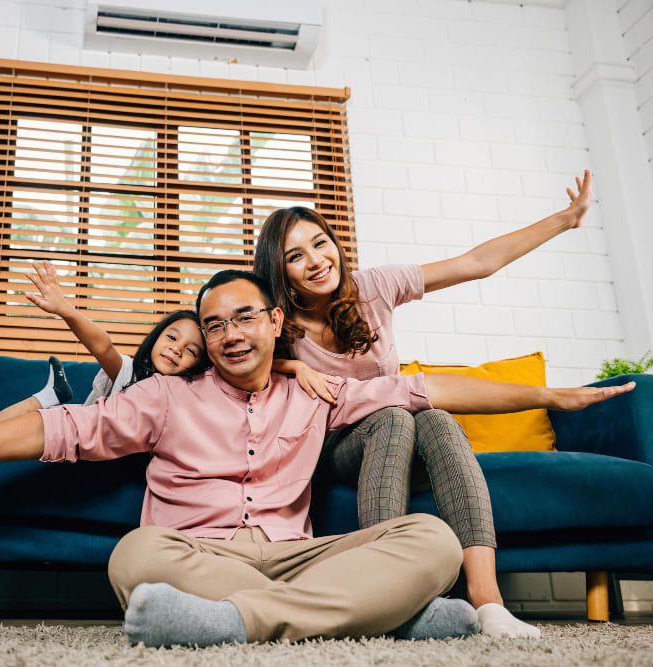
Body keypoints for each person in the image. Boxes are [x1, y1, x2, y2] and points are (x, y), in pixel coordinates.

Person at [0, 269, 632, 648]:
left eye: (244, 316)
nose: (229, 333)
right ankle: (378, 612)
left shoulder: (317, 391)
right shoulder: (166, 397)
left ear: (276, 321)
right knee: (134, 554)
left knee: (427, 541)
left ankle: (236, 625)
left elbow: (423, 389)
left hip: (297, 556)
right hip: (196, 553)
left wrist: (550, 397)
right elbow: (64, 430)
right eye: (214, 324)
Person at [252, 170, 594, 638]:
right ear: (280, 272)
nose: (315, 261)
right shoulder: (276, 324)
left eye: (320, 243)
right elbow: (235, 367)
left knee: (435, 418)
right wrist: (291, 367)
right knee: (394, 414)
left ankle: (489, 603)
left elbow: (477, 261)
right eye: (296, 256)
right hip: (333, 451)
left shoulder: (373, 287)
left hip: (403, 435)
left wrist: (566, 219)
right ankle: (387, 596)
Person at [0, 260, 208, 429]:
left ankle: (52, 394)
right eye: (171, 337)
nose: (176, 348)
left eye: (190, 350)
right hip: (73, 432)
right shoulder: (130, 372)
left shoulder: (184, 398)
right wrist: (65, 310)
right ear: (156, 337)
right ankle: (48, 396)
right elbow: (103, 347)